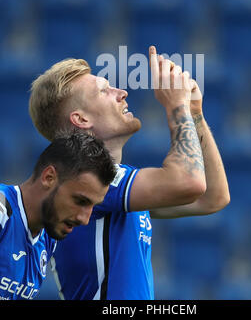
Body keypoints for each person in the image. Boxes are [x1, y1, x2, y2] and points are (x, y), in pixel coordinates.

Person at [29, 45, 230, 300]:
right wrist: (176, 107)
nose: (121, 93)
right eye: (105, 90)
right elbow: (189, 182)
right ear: (81, 120)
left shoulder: (114, 185)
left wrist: (194, 113)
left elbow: (212, 197)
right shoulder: (85, 176)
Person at [0, 131, 116, 300]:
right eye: (80, 201)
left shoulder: (46, 238)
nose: (84, 220)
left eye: (93, 206)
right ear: (49, 177)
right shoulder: (3, 209)